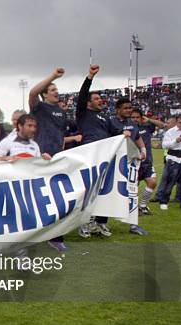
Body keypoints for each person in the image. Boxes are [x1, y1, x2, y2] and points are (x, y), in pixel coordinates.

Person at [75, 65, 131, 238]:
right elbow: (83, 94)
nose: (101, 101)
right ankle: (83, 223)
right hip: (90, 156)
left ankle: (100, 222)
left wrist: (123, 134)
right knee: (88, 191)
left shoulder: (105, 118)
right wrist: (90, 77)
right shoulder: (83, 113)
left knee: (105, 190)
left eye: (101, 99)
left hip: (106, 157)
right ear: (88, 102)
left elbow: (113, 134)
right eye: (97, 98)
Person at [28, 67, 70, 251]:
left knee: (58, 198)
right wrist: (53, 76)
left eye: (56, 90)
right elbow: (32, 92)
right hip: (41, 158)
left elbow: (60, 135)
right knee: (40, 198)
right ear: (45, 95)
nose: (56, 92)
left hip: (57, 159)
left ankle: (55, 237)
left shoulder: (61, 112)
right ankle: (35, 235)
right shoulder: (40, 108)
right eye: (52, 90)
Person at [109, 98, 149, 236]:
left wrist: (143, 150)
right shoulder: (110, 122)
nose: (128, 110)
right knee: (111, 193)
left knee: (132, 192)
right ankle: (99, 223)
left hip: (130, 164)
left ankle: (133, 225)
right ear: (118, 109)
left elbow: (137, 137)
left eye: (130, 108)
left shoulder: (132, 123)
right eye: (125, 108)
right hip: (114, 165)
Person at [130, 108, 164, 215]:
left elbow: (162, 125)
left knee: (152, 183)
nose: (135, 119)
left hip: (147, 163)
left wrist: (148, 119)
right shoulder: (127, 129)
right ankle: (133, 209)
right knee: (133, 187)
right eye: (133, 117)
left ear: (141, 118)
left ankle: (143, 206)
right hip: (134, 163)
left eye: (137, 117)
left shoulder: (147, 126)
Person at [159, 114, 181, 211]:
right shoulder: (170, 132)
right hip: (173, 158)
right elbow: (164, 145)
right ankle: (164, 201)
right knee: (170, 182)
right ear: (176, 122)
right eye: (180, 122)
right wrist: (175, 141)